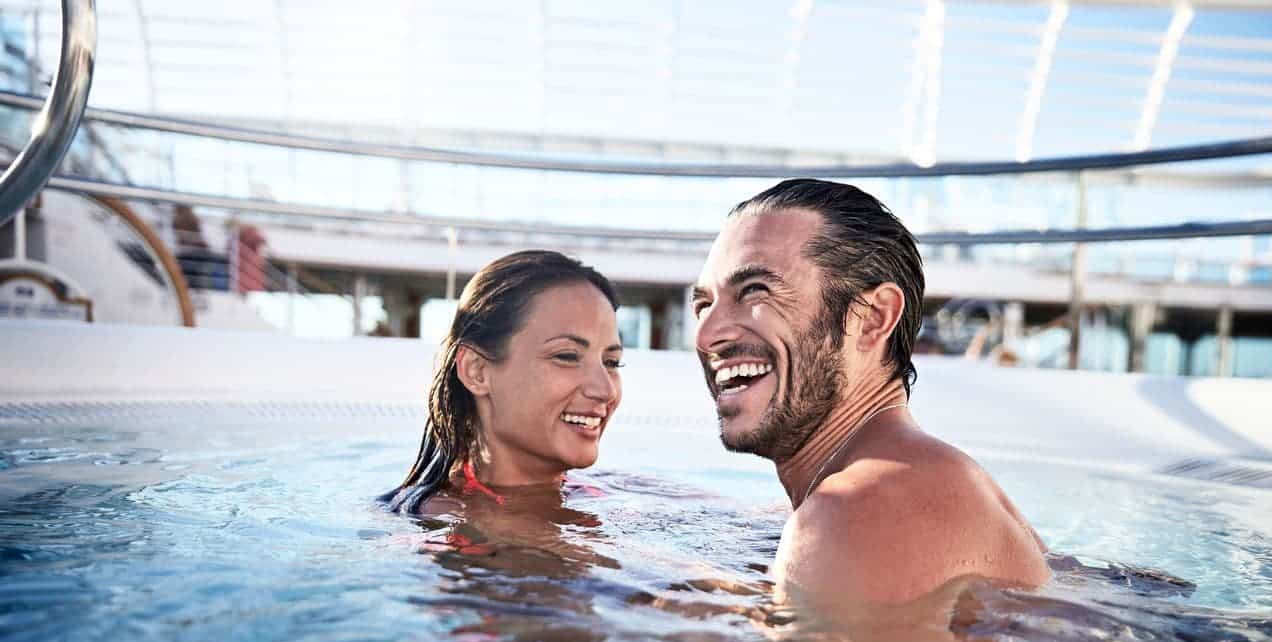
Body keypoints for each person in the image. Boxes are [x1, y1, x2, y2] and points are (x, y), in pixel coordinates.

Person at [690, 179, 1049, 605]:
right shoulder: (907, 487)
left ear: (873, 318)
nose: (707, 334)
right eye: (703, 305)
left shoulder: (860, 509)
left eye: (755, 292)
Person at [384, 249, 623, 517]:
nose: (606, 390)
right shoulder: (447, 523)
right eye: (567, 356)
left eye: (612, 362)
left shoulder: (617, 491)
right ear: (477, 371)